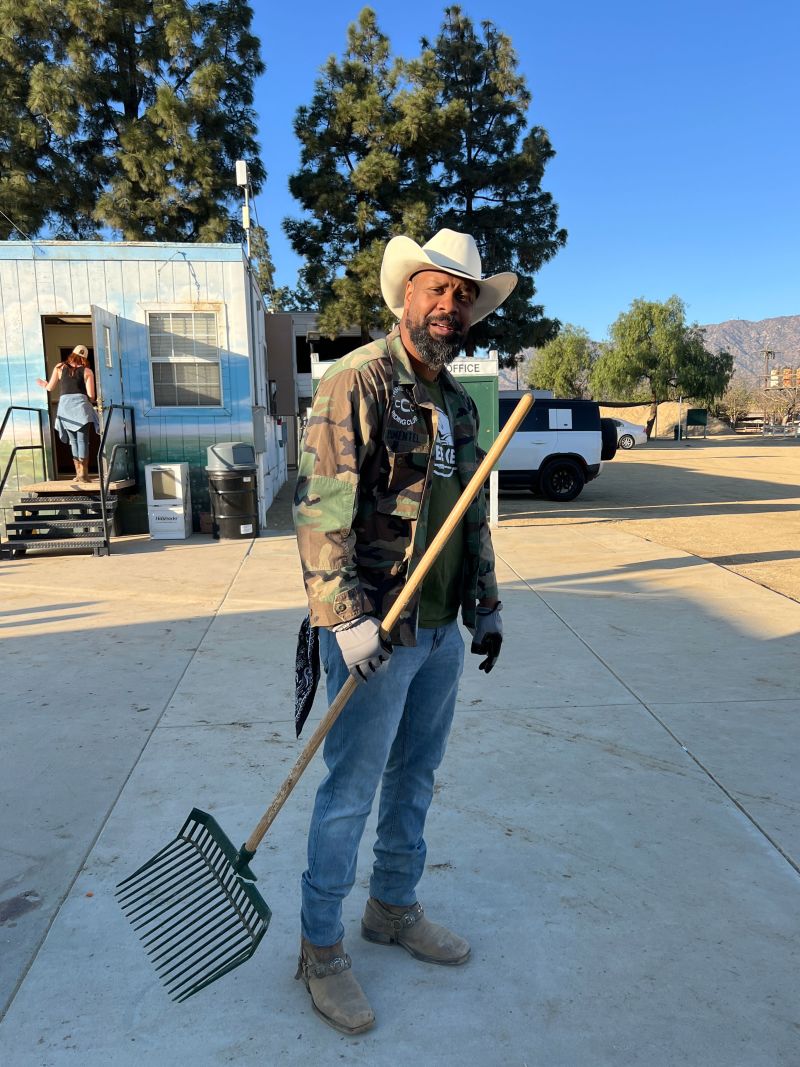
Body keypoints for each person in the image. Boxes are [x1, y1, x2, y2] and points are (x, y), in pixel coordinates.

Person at [292, 228, 517, 1034]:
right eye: (437, 289)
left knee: (415, 778)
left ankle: (391, 906)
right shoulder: (359, 379)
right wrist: (345, 618)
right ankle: (320, 948)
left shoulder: (458, 402)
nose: (450, 305)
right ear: (406, 295)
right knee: (350, 790)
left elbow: (468, 519)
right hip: (374, 631)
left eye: (463, 295)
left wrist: (484, 605)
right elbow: (320, 510)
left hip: (438, 634)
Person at [37, 344, 99, 484]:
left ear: (72, 354)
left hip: (65, 408)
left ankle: (78, 473)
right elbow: (91, 395)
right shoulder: (87, 371)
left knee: (73, 441)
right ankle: (84, 474)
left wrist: (43, 384)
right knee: (83, 440)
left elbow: (50, 387)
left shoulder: (59, 367)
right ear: (85, 358)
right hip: (81, 407)